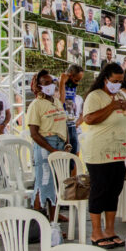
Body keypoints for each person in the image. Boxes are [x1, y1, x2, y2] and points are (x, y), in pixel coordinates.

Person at [82, 63, 126, 249]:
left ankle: (110, 230)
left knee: (114, 192)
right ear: (105, 79)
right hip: (100, 152)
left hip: (120, 152)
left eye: (120, 81)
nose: (117, 84)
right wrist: (111, 107)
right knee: (100, 191)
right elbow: (89, 119)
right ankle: (96, 232)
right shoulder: (95, 96)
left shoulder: (120, 95)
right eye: (114, 81)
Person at [26, 70, 69, 218]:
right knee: (44, 181)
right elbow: (34, 133)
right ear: (39, 86)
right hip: (45, 144)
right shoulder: (36, 105)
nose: (50, 85)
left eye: (51, 82)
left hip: (59, 143)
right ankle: (37, 218)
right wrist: (50, 149)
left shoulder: (56, 102)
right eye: (46, 83)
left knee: (55, 182)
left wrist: (67, 143)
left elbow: (63, 123)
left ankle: (53, 217)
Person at [59, 65, 84, 156]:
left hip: (71, 124)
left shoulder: (72, 86)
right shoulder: (57, 83)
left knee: (74, 157)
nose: (77, 83)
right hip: (61, 126)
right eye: (76, 80)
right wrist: (62, 82)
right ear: (69, 75)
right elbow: (60, 102)